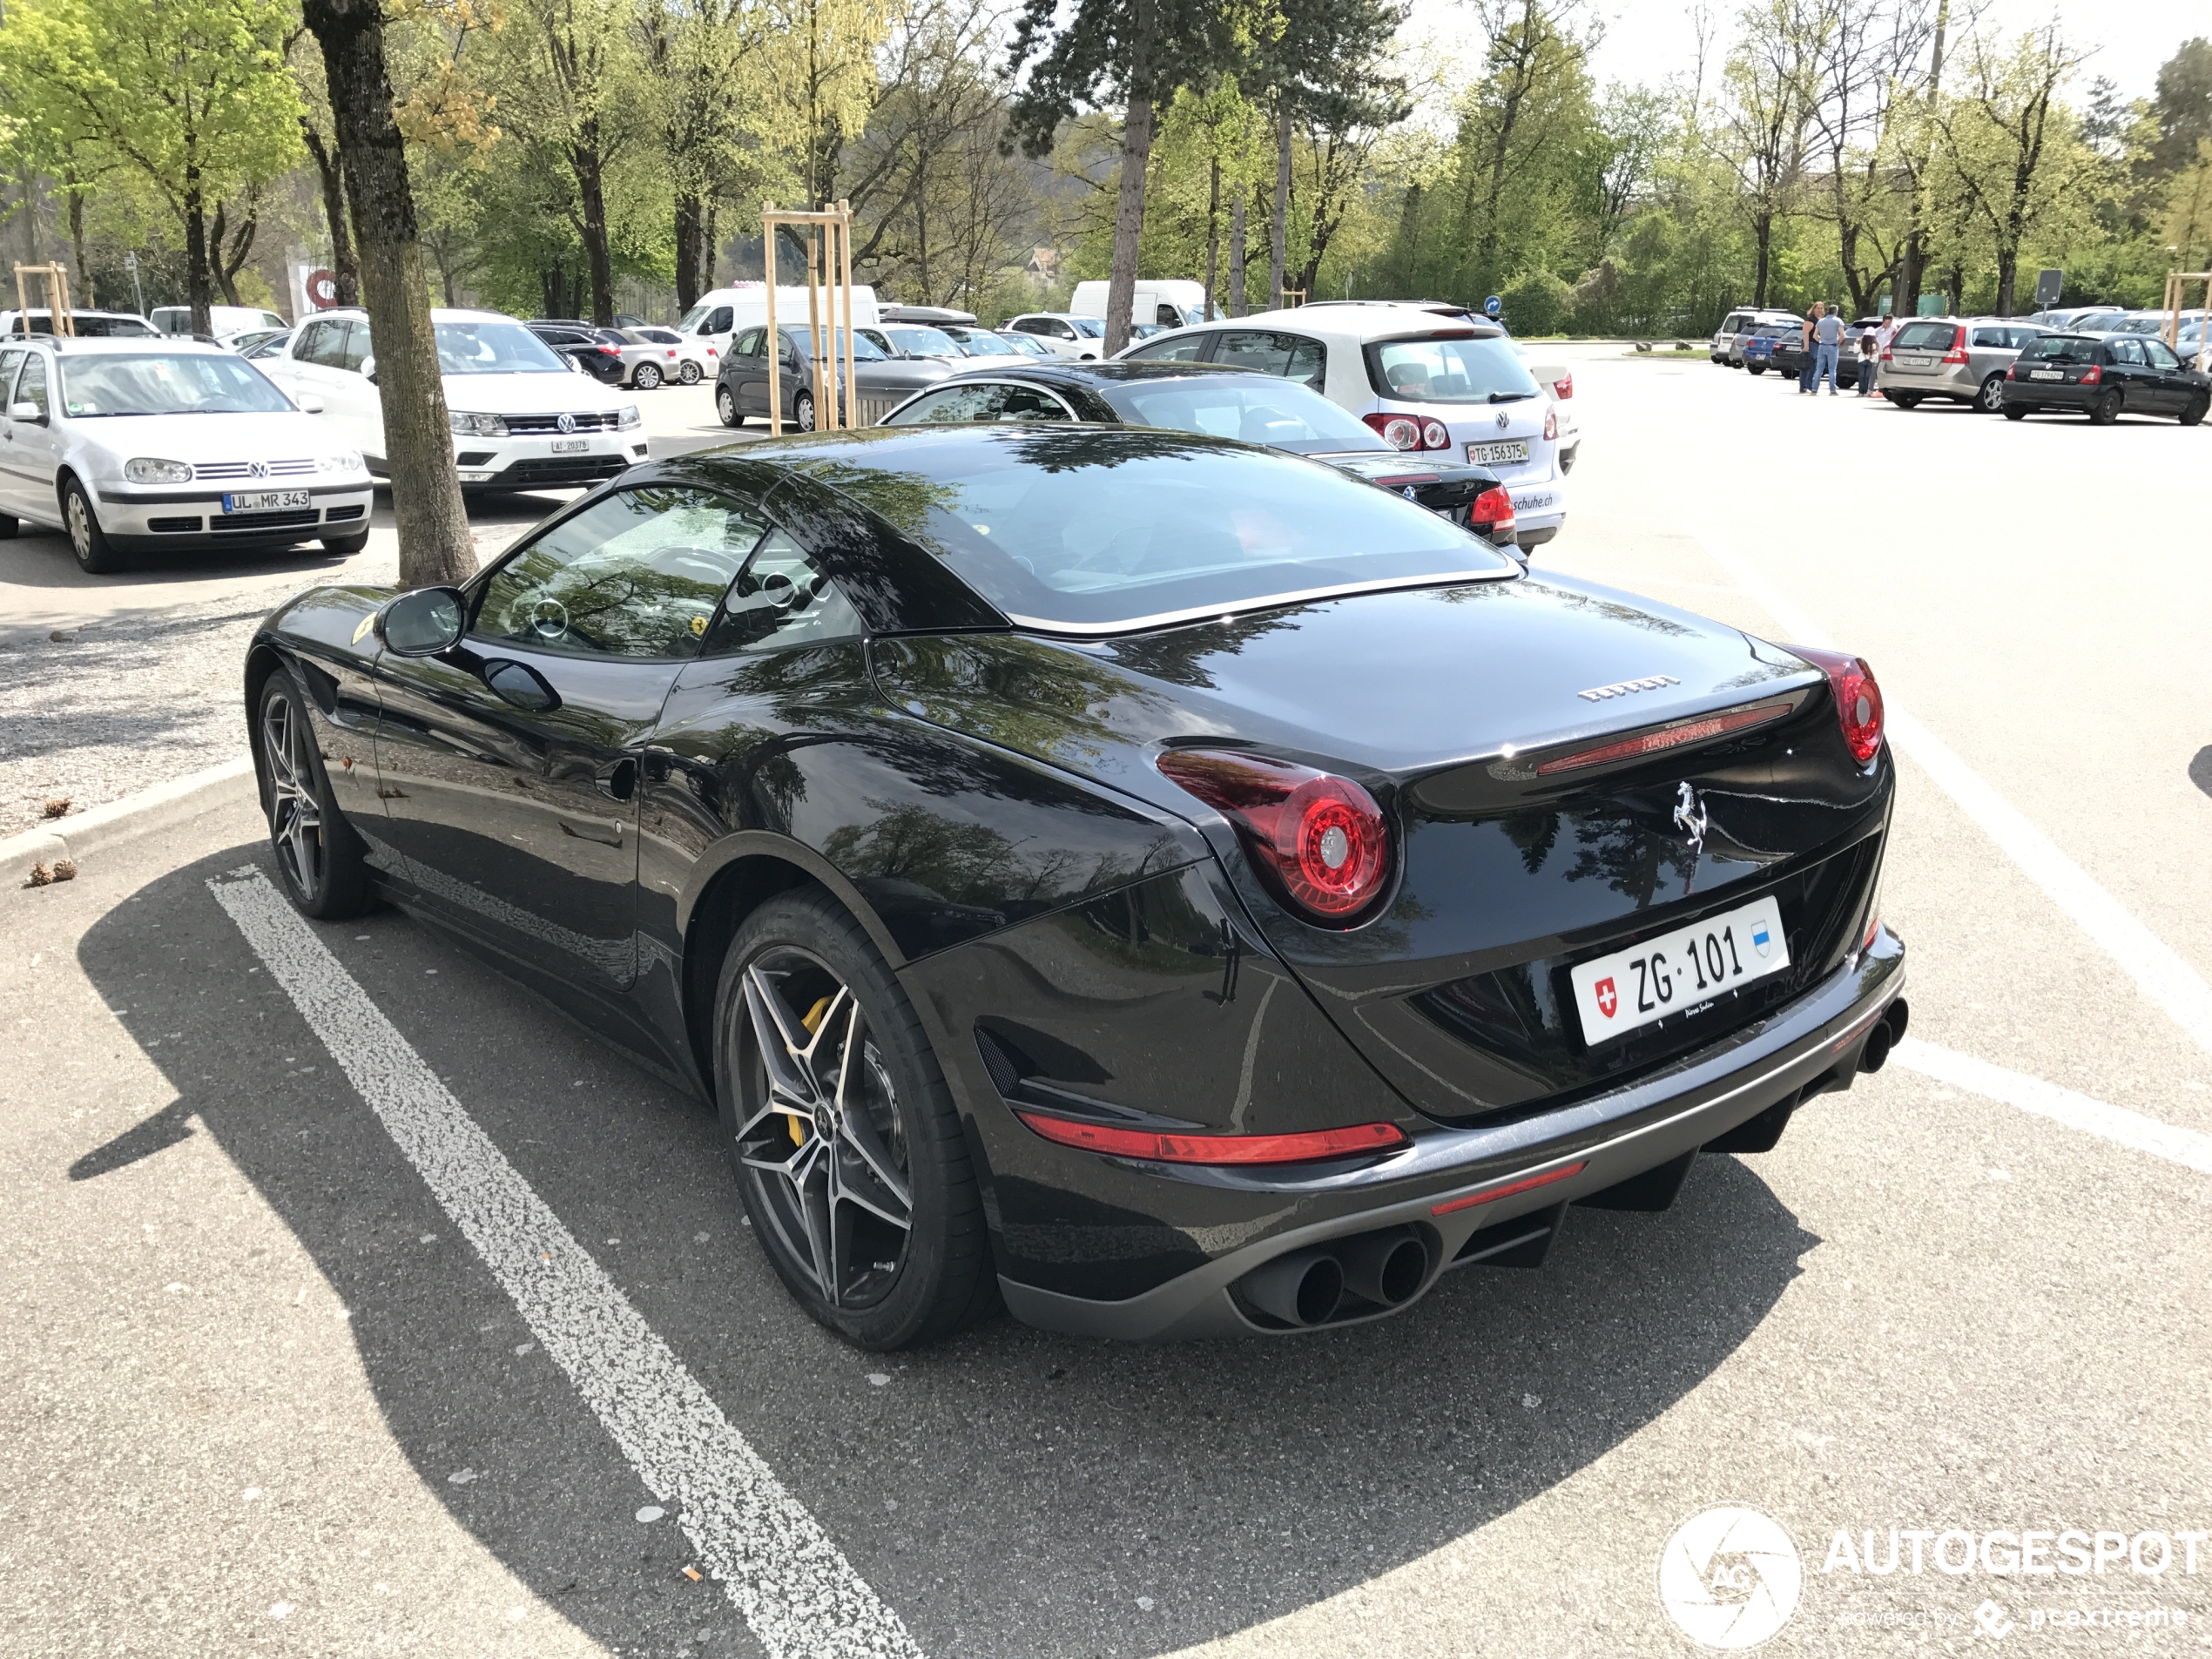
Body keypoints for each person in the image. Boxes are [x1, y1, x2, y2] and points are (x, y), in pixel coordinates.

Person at [1813, 303, 1844, 395]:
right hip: (1833, 346)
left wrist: (1821, 340)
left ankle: (1814, 389)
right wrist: (1837, 342)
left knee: (1819, 369)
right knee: (1832, 369)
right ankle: (1832, 390)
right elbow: (1842, 334)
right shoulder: (1838, 321)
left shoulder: (1821, 321)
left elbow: (1815, 335)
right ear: (1836, 312)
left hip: (1822, 346)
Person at [1798, 306, 1820, 395]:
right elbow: (1805, 333)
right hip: (1810, 344)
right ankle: (1803, 387)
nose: (1820, 310)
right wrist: (1806, 346)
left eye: (1821, 308)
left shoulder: (1819, 319)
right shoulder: (1810, 319)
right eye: (1818, 308)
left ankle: (1810, 386)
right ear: (1813, 309)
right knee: (1806, 365)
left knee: (1814, 367)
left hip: (1817, 344)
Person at [1856, 327, 1878, 395]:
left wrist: (1856, 343)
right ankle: (1865, 392)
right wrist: (1876, 361)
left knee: (1861, 377)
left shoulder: (1861, 342)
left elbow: (1856, 351)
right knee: (1867, 377)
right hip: (1871, 361)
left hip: (1862, 360)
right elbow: (1876, 353)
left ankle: (1860, 392)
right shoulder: (1875, 343)